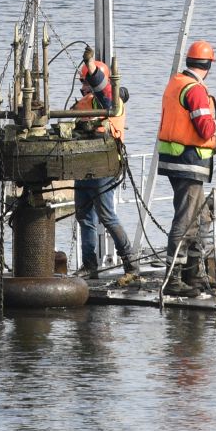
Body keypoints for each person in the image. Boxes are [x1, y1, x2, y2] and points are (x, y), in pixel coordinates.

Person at [154, 40, 216, 296]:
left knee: (202, 218)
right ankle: (174, 281)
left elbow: (184, 127)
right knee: (185, 221)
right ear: (208, 65)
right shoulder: (195, 90)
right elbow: (205, 128)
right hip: (188, 164)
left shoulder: (176, 83)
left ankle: (192, 276)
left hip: (178, 159)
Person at [73, 47, 137, 279]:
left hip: (103, 165)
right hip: (82, 164)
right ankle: (90, 266)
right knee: (84, 216)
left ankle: (130, 264)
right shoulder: (85, 102)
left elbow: (103, 90)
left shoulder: (109, 99)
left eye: (86, 81)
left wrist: (91, 66)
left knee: (107, 216)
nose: (83, 87)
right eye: (82, 81)